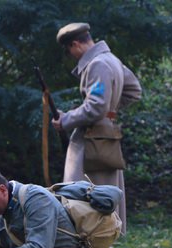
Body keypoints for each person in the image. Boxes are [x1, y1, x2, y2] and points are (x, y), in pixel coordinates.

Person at [52, 22, 142, 235]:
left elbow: (96, 106)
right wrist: (111, 113)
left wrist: (66, 120)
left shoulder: (97, 64)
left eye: (69, 50)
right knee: (101, 188)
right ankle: (104, 232)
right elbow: (133, 91)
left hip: (92, 138)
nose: (71, 55)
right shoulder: (111, 60)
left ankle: (90, 234)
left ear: (75, 44)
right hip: (105, 135)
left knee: (80, 192)